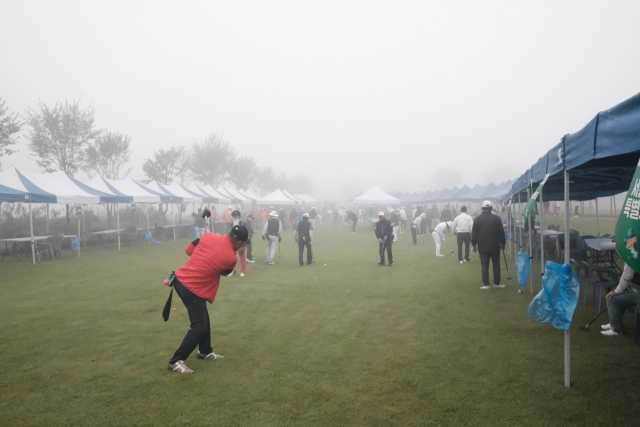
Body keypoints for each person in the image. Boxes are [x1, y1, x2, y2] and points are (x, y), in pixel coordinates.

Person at [167, 225, 249, 373]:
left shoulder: (208, 236)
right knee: (199, 326)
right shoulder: (231, 258)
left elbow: (189, 250)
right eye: (242, 244)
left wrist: (203, 258)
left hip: (181, 281)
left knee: (203, 318)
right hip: (192, 289)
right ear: (239, 242)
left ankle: (205, 350)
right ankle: (176, 361)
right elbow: (225, 273)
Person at [471, 200, 507, 290]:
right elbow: (501, 233)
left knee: (484, 265)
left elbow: (474, 234)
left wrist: (474, 245)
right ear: (491, 208)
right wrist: (503, 243)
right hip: (495, 245)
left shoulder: (477, 219)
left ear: (482, 208)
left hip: (482, 246)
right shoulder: (497, 218)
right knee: (496, 264)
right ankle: (497, 283)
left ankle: (486, 284)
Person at [601, 263, 640, 336]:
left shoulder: (632, 257)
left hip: (637, 293)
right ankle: (613, 323)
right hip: (634, 289)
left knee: (612, 300)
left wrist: (616, 291)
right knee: (619, 296)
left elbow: (627, 276)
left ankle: (617, 329)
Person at [227, 210, 248, 277]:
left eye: (236, 216)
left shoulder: (243, 223)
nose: (235, 217)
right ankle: (233, 270)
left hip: (241, 243)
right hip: (233, 243)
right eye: (234, 216)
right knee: (232, 258)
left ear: (239, 216)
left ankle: (243, 271)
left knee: (242, 257)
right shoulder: (231, 224)